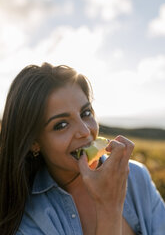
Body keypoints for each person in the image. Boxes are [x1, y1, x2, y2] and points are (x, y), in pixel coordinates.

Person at [0, 63, 164, 235]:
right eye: (61, 125)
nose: (86, 132)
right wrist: (109, 209)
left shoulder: (137, 176)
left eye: (86, 113)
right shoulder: (30, 219)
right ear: (34, 141)